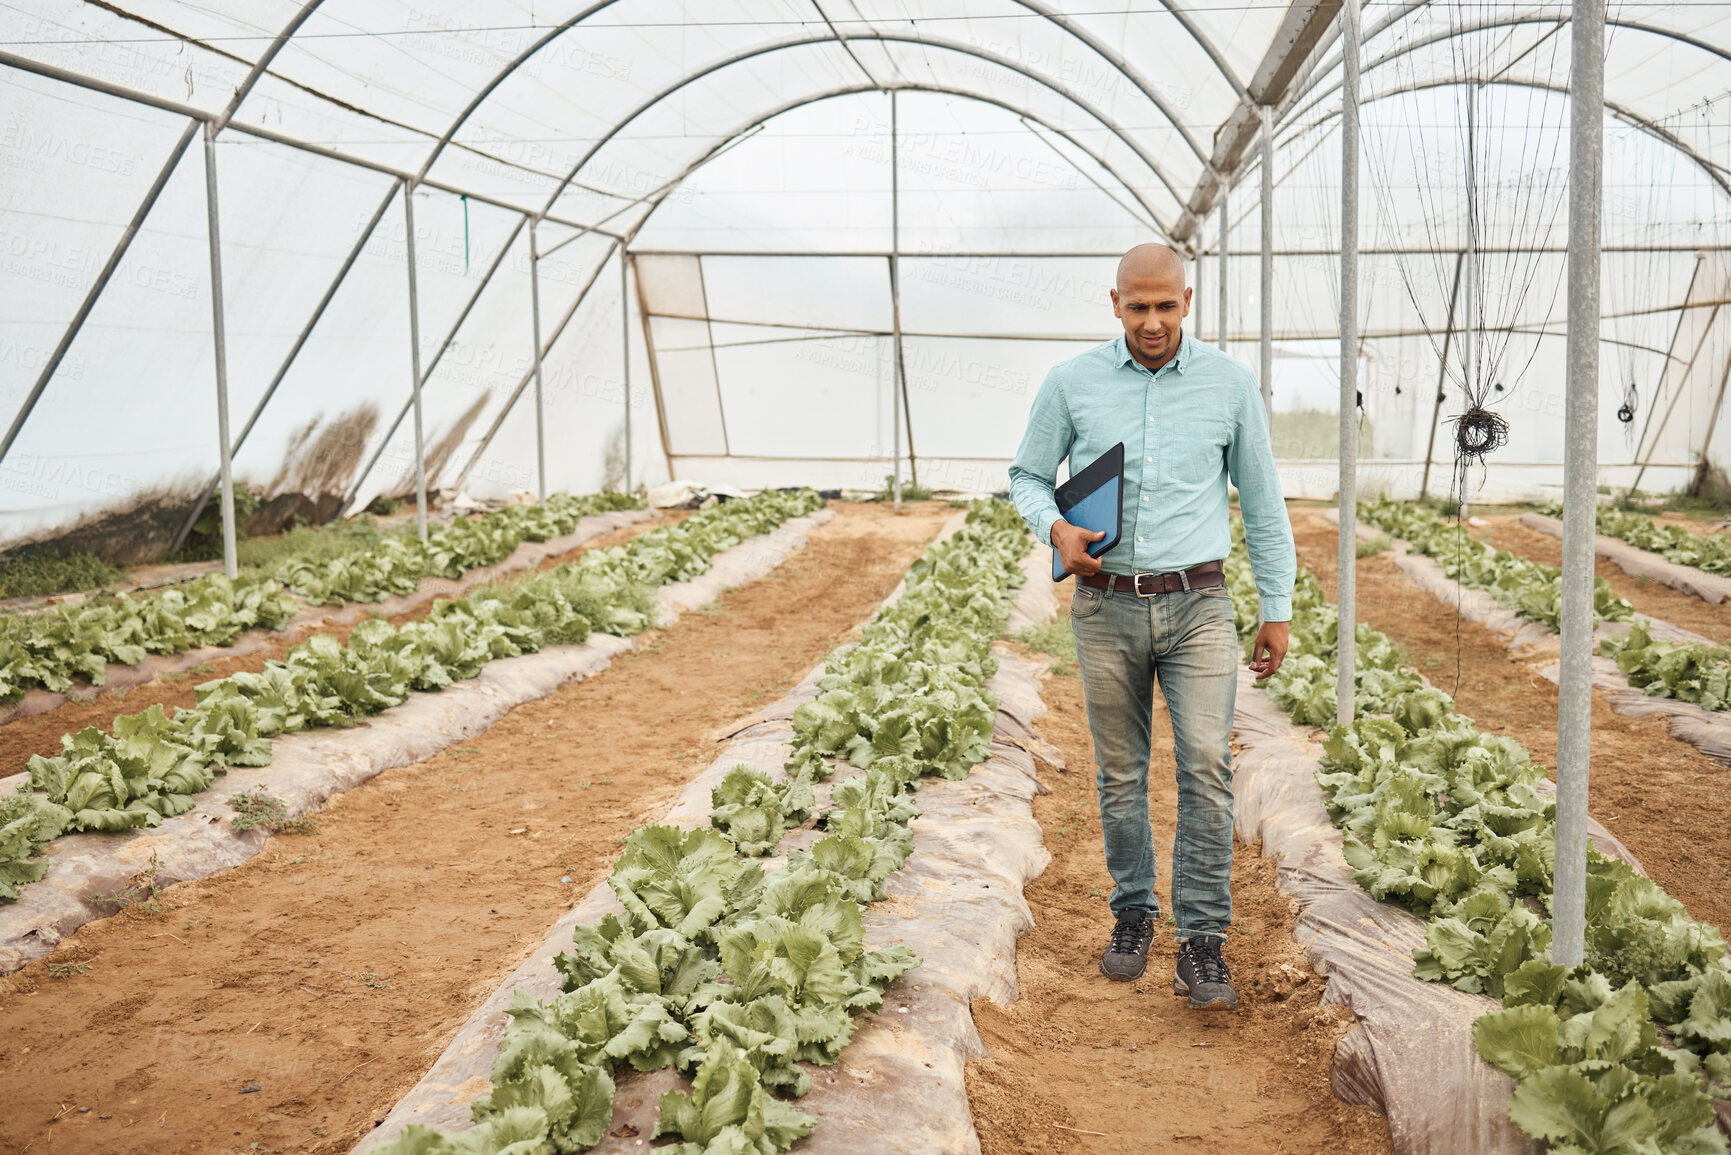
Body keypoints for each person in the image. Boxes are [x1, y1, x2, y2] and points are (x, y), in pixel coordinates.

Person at [1008, 242, 1296, 1010]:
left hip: (1199, 603)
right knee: (1120, 771)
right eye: (1137, 307)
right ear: (1114, 304)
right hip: (1105, 606)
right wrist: (1055, 531)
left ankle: (1203, 941)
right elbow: (1027, 476)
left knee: (1205, 764)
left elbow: (1263, 502)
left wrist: (1277, 604)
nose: (1152, 321)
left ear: (1186, 301)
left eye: (1164, 306)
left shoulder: (1229, 385)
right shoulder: (1072, 384)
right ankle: (1133, 912)